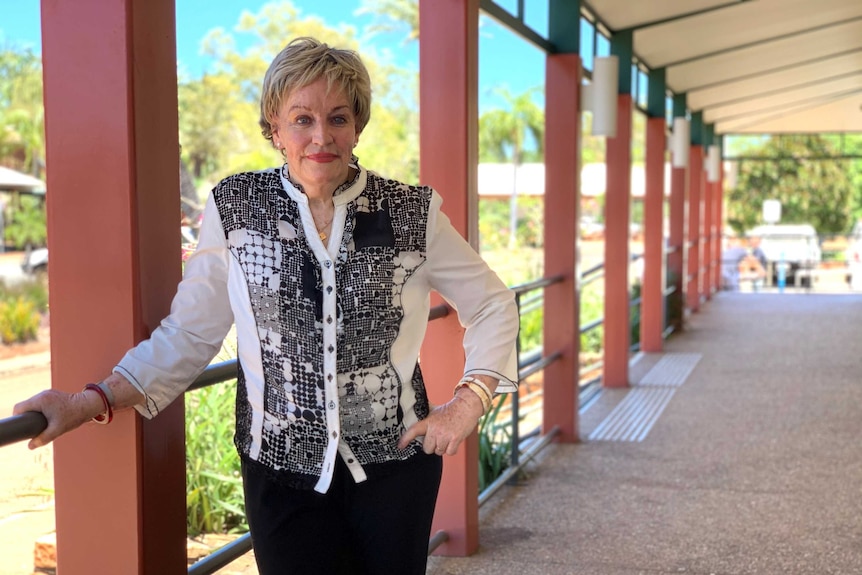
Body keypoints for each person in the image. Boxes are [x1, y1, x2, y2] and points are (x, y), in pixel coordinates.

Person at [14, 37, 519, 575]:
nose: (321, 136)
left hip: (395, 471)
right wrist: (90, 401)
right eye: (302, 119)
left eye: (338, 117)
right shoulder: (236, 208)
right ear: (274, 129)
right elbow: (190, 333)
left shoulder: (411, 211)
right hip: (280, 477)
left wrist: (468, 401)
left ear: (358, 126)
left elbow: (492, 303)